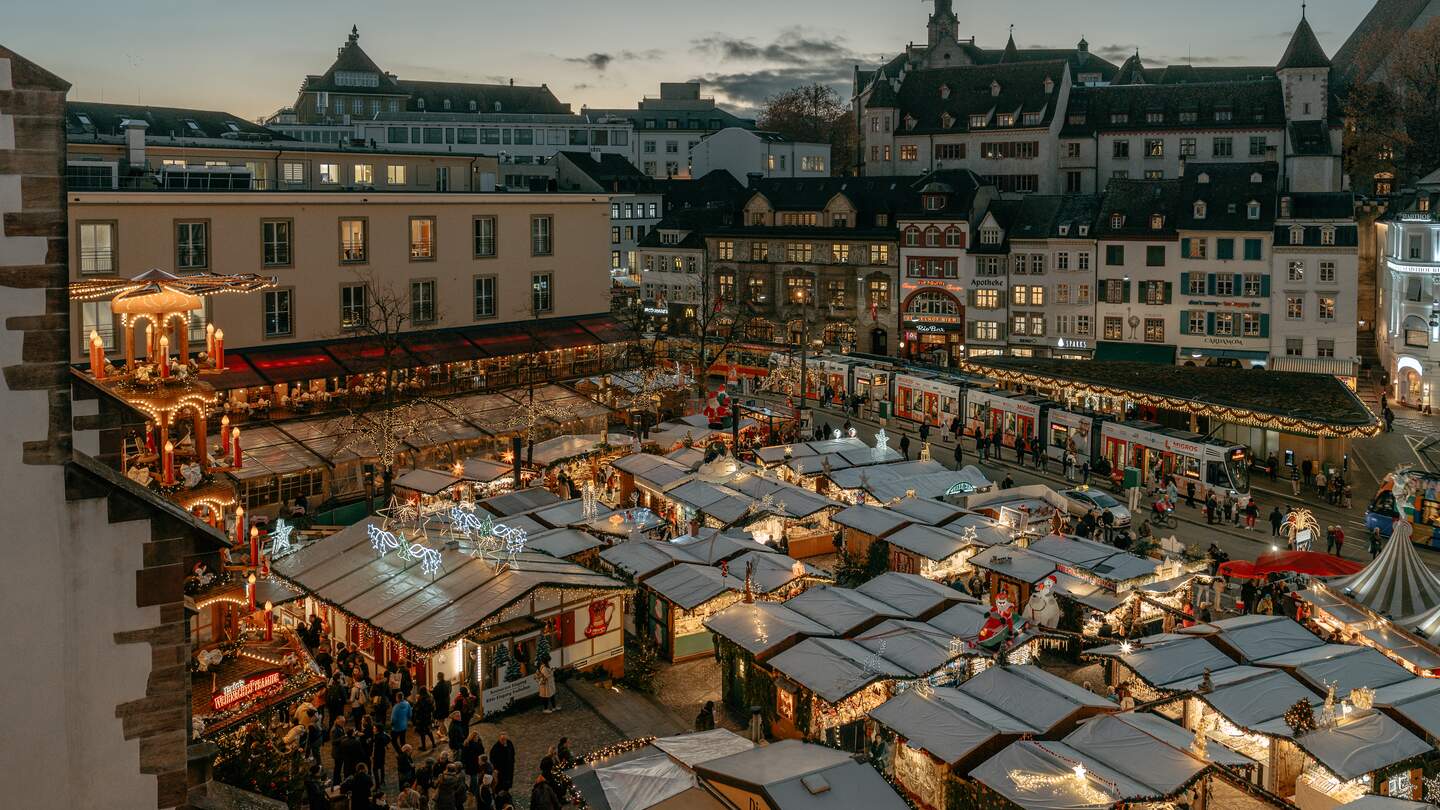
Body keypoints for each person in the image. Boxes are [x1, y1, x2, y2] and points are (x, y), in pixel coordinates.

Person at [462, 730, 485, 804]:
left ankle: (472, 790)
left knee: (474, 777)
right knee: (474, 778)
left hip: (471, 764)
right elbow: (482, 753)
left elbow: (463, 755)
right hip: (474, 764)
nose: (477, 738)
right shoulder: (476, 745)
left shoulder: (467, 744)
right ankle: (473, 791)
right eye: (476, 737)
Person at [371, 724, 391, 789]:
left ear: (377, 729)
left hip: (377, 755)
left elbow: (375, 744)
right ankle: (382, 780)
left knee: (375, 769)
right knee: (382, 767)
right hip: (382, 753)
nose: (373, 730)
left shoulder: (378, 737)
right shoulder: (383, 734)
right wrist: (386, 744)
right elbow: (389, 738)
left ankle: (377, 785)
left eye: (374, 728)